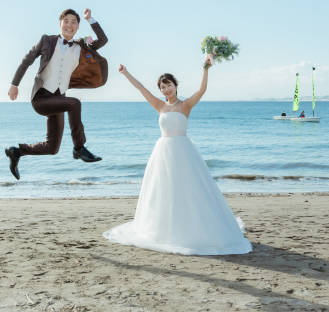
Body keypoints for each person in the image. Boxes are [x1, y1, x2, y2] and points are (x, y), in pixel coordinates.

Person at [104, 55, 253, 255]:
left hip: (184, 152)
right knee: (165, 190)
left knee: (189, 189)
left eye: (169, 85)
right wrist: (125, 73)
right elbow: (141, 88)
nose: (166, 90)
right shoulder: (159, 105)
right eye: (163, 87)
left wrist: (205, 69)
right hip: (163, 154)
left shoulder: (185, 105)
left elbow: (202, 90)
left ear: (175, 85)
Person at [4, 8, 109, 180]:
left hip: (59, 99)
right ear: (60, 24)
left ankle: (16, 152)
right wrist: (14, 84)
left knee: (52, 148)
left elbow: (103, 40)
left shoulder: (82, 44)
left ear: (78, 26)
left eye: (73, 22)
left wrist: (90, 19)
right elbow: (27, 60)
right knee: (74, 103)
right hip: (41, 98)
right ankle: (79, 148)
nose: (69, 25)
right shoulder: (47, 40)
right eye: (66, 21)